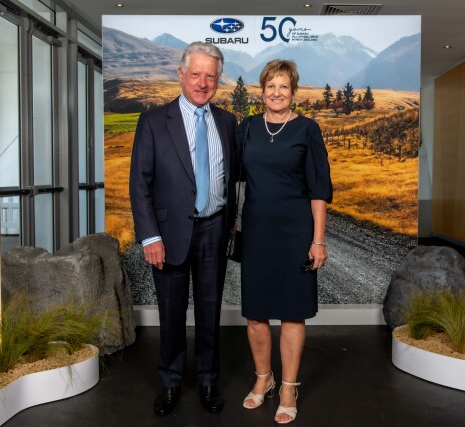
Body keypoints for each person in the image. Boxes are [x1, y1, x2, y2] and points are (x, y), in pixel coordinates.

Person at [129, 42, 237, 416]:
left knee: (210, 310)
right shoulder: (153, 121)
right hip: (168, 234)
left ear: (218, 80)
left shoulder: (227, 122)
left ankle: (208, 381)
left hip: (214, 229)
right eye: (196, 74)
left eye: (210, 76)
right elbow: (140, 184)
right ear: (181, 75)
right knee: (171, 313)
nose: (203, 83)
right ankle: (171, 383)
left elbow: (232, 177)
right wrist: (150, 236)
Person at [237, 59, 333, 424]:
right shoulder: (247, 128)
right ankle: (264, 378)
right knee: (255, 314)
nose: (276, 93)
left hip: (295, 235)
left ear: (293, 92)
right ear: (262, 91)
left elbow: (319, 190)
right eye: (270, 86)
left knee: (293, 312)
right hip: (256, 233)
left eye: (283, 86)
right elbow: (227, 173)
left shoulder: (307, 129)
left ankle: (289, 387)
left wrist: (318, 241)